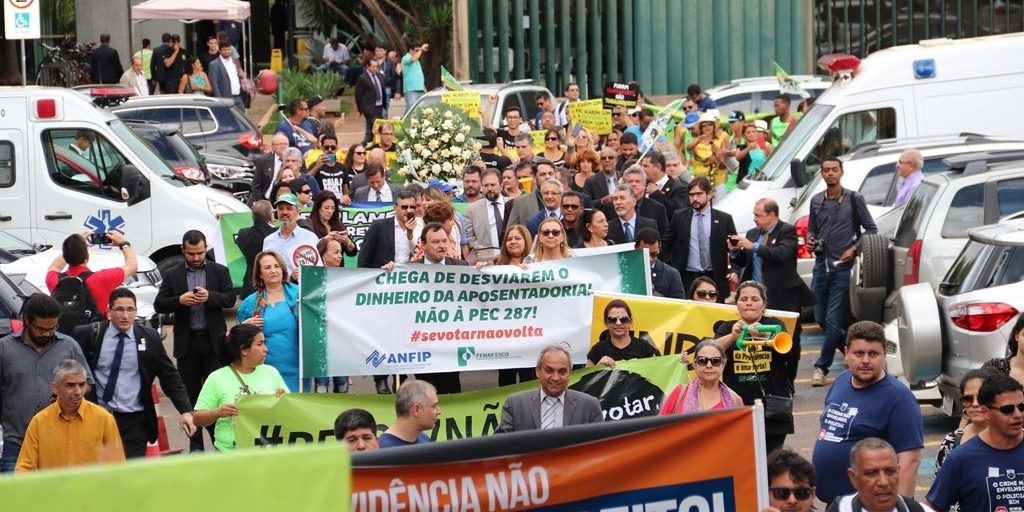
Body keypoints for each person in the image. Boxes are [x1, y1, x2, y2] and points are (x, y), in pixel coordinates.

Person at [73, 288, 193, 458]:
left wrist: (185, 411)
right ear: (108, 311)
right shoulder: (90, 335)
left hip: (134, 420)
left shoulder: (150, 338)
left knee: (131, 469)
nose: (125, 316)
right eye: (119, 309)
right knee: (104, 467)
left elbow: (169, 377)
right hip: (98, 416)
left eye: (130, 309)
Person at [812, 321, 923, 505]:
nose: (865, 360)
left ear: (884, 354)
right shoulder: (841, 380)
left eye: (873, 354)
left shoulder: (899, 398)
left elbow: (909, 461)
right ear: (846, 353)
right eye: (859, 353)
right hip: (835, 504)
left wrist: (898, 507)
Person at [0, 294, 93, 472]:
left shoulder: (69, 346)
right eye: (41, 329)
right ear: (27, 321)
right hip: (16, 442)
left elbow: (87, 383)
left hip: (59, 442)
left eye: (52, 328)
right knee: (14, 490)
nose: (46, 334)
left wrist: (68, 394)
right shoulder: (5, 348)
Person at [730, 198, 815, 385]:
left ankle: (788, 383)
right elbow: (744, 261)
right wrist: (735, 251)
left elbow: (782, 254)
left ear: (772, 215)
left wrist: (754, 246)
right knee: (757, 340)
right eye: (754, 215)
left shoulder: (787, 231)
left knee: (789, 340)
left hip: (783, 297)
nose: (754, 219)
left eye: (758, 215)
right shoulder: (752, 233)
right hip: (756, 299)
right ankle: (762, 382)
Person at [808, 158, 877, 387]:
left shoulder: (854, 198)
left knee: (832, 319)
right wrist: (811, 241)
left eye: (834, 170)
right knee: (820, 318)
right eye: (826, 170)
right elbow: (811, 230)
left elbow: (871, 229)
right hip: (820, 267)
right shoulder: (816, 200)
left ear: (841, 172)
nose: (830, 174)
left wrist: (854, 249)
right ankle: (852, 349)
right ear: (822, 174)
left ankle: (821, 367)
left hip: (842, 268)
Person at [713, 281, 793, 454]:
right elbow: (710, 351)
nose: (749, 303)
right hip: (738, 408)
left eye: (755, 299)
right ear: (737, 304)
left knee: (772, 460)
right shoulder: (727, 327)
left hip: (773, 408)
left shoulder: (775, 323)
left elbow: (787, 352)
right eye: (744, 299)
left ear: (764, 304)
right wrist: (732, 336)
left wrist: (765, 334)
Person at [925, 373, 1024, 512]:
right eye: (1007, 409)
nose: (1018, 415)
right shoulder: (961, 458)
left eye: (1022, 407)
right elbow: (932, 507)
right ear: (986, 412)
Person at [192, 324, 287, 452]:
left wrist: (284, 400)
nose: (266, 349)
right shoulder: (217, 378)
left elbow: (290, 410)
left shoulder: (271, 372)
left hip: (267, 451)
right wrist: (219, 412)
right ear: (244, 350)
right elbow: (197, 419)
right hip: (230, 454)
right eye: (260, 344)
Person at [15, 359, 123, 471]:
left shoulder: (104, 419)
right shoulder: (39, 422)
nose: (78, 392)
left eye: (82, 385)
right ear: (55, 388)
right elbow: (25, 469)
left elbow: (116, 467)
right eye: (70, 385)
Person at [46, 231, 138, 332]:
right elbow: (132, 266)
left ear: (65, 256)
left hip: (62, 337)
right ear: (87, 257)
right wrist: (123, 244)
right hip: (93, 336)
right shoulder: (101, 279)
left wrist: (74, 246)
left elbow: (55, 266)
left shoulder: (55, 280)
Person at [237, 251, 302, 392]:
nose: (273, 270)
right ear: (260, 274)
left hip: (298, 369)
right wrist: (244, 326)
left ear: (282, 270)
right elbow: (237, 340)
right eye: (267, 267)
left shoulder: (301, 294)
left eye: (276, 266)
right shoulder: (249, 304)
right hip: (264, 371)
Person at [498, 346, 602, 433]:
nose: (555, 378)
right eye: (549, 371)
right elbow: (501, 445)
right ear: (538, 371)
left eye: (562, 372)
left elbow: (600, 446)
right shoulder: (515, 404)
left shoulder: (590, 406)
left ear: (570, 374)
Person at [666, 177, 737, 298]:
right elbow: (666, 243)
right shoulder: (679, 217)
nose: (695, 198)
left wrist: (734, 271)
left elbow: (735, 249)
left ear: (709, 195)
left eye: (699, 194)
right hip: (686, 278)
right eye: (691, 195)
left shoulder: (724, 219)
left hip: (714, 277)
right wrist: (670, 268)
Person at [934, 367, 995, 498]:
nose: (975, 404)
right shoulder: (951, 442)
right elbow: (938, 495)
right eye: (968, 399)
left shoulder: (1016, 440)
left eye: (982, 398)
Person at [826, 438, 929, 512]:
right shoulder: (841, 508)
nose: (883, 482)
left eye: (890, 471)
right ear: (853, 477)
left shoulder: (920, 510)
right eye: (871, 473)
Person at [660, 340, 741, 414]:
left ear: (723, 364)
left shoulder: (735, 400)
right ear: (695, 365)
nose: (709, 365)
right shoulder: (679, 393)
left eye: (715, 361)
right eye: (702, 360)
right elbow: (660, 424)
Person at [262, 193, 321, 281]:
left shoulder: (310, 238)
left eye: (289, 208)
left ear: (297, 211)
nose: (284, 212)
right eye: (280, 208)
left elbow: (318, 271)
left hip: (302, 287)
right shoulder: (268, 241)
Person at [588, 299, 661, 367]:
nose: (618, 323)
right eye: (612, 319)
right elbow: (586, 376)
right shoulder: (598, 350)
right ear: (606, 323)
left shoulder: (644, 347)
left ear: (630, 322)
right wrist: (598, 367)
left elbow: (659, 372)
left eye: (624, 319)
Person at [234, 200, 276, 298]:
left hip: (250, 283)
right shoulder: (276, 233)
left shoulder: (243, 234)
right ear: (270, 216)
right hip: (271, 282)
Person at [379, 380, 439, 448]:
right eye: (434, 406)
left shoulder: (424, 438)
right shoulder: (382, 448)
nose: (439, 411)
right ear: (416, 410)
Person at [464, 168, 506, 263]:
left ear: (501, 185)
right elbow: (469, 238)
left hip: (511, 258)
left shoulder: (512, 204)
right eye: (486, 185)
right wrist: (483, 249)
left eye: (493, 185)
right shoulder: (471, 210)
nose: (489, 188)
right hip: (485, 261)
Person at [505, 158, 556, 228]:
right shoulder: (520, 202)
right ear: (534, 178)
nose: (547, 177)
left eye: (550, 173)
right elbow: (511, 230)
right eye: (542, 174)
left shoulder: (565, 199)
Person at [636, 228, 684, 299]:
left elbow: (679, 303)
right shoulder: (626, 272)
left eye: (654, 254)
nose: (649, 259)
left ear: (659, 248)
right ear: (635, 248)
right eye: (644, 254)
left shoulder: (672, 275)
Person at [642, 150, 688, 219]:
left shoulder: (679, 188)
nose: (642, 169)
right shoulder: (642, 185)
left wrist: (656, 194)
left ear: (658, 167)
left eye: (646, 166)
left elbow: (679, 212)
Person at [250, 133, 290, 204]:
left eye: (285, 144)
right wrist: (261, 202)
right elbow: (256, 186)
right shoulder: (263, 161)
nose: (283, 146)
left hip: (287, 200)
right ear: (273, 147)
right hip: (266, 200)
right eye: (280, 144)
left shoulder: (294, 160)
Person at [306, 134, 348, 199]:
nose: (330, 150)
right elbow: (306, 180)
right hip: (321, 202)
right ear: (322, 148)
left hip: (338, 202)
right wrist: (316, 167)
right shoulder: (315, 165)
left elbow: (345, 191)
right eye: (327, 147)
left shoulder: (342, 167)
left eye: (333, 147)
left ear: (337, 148)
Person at [355, 58, 385, 144]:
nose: (375, 68)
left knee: (379, 125)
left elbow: (382, 89)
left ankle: (373, 142)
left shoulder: (380, 76)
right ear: (367, 66)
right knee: (372, 125)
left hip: (380, 105)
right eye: (373, 66)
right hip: (369, 106)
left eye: (376, 66)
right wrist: (360, 109)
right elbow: (358, 94)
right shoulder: (362, 78)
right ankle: (365, 142)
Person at [208, 41, 244, 110]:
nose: (227, 51)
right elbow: (214, 84)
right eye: (224, 50)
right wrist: (220, 100)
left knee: (242, 116)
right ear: (220, 51)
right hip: (225, 99)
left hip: (238, 97)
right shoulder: (214, 64)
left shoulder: (234, 61)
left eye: (228, 49)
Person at [401, 43, 428, 115]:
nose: (418, 52)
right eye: (416, 50)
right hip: (411, 90)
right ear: (410, 50)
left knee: (420, 111)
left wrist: (425, 90)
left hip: (420, 90)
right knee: (411, 110)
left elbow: (419, 77)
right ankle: (404, 121)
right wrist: (421, 49)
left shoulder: (417, 62)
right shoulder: (405, 58)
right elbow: (413, 59)